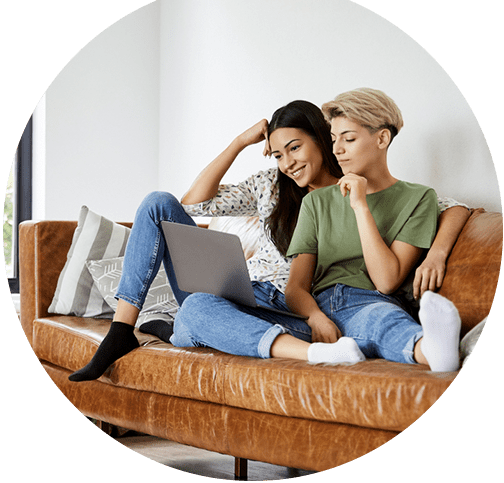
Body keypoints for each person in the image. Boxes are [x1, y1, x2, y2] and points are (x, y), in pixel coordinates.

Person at [69, 98, 468, 381]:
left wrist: (437, 253)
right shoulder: (271, 188)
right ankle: (124, 330)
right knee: (159, 206)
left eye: (295, 148)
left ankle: (176, 331)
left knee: (194, 318)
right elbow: (194, 203)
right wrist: (240, 142)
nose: (287, 162)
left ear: (321, 139)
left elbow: (452, 206)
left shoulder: (371, 192)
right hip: (250, 292)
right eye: (277, 154)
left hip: (299, 305)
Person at [281, 88, 462, 371]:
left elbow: (386, 281)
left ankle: (430, 350)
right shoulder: (316, 201)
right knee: (203, 308)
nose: (337, 149)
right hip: (315, 313)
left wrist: (361, 207)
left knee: (382, 319)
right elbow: (295, 288)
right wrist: (316, 317)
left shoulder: (418, 198)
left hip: (370, 302)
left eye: (349, 139)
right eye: (333, 140)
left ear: (382, 138)